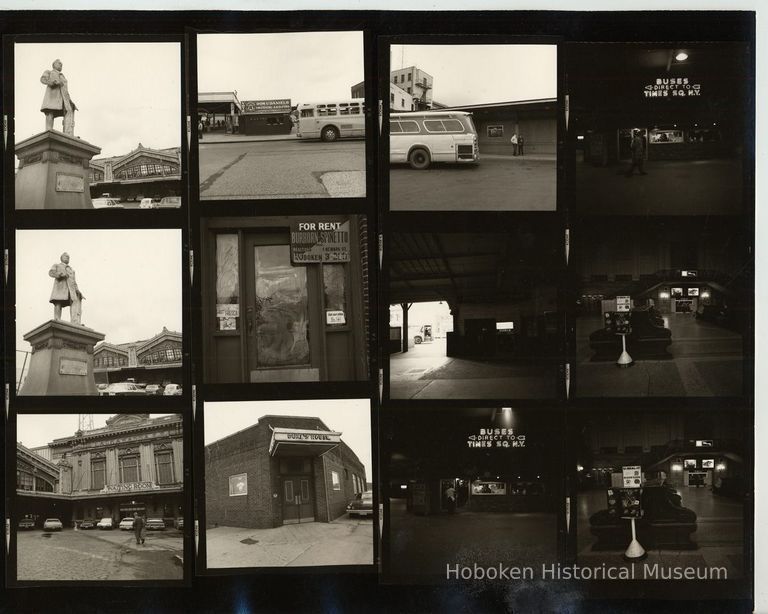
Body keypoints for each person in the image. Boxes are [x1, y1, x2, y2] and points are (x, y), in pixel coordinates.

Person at [40, 59, 77, 136]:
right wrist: (52, 82)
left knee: (68, 112)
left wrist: (70, 100)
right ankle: (48, 131)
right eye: (59, 63)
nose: (61, 64)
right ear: (54, 65)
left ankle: (68, 134)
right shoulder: (49, 72)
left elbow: (65, 90)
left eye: (62, 64)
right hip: (52, 97)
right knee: (50, 112)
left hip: (63, 99)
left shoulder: (62, 76)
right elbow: (43, 79)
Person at [49, 252, 84, 324]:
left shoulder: (71, 270)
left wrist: (77, 290)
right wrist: (60, 275)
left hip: (71, 289)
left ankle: (75, 322)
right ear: (61, 258)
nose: (67, 258)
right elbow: (51, 272)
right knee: (58, 302)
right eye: (65, 256)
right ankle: (57, 318)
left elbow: (74, 281)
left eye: (68, 257)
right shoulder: (57, 265)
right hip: (60, 287)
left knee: (74, 302)